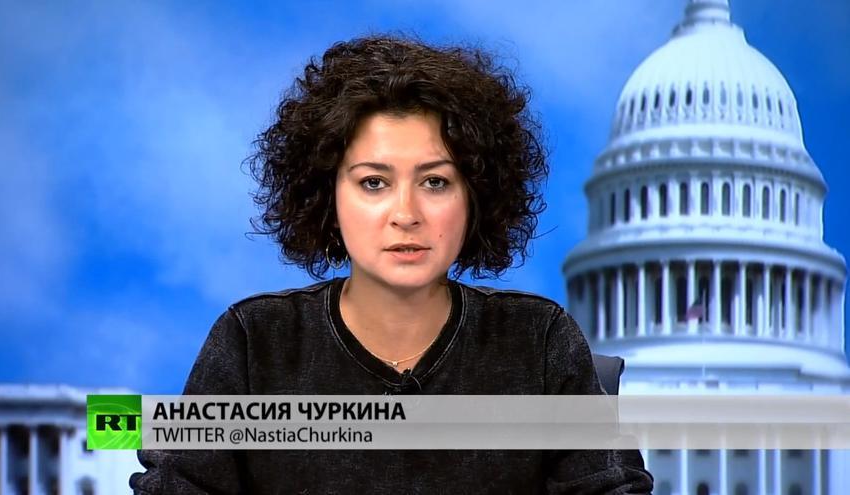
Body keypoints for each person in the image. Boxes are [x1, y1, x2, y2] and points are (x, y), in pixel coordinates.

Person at [130, 35, 653, 494]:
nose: (406, 214)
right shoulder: (253, 341)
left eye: (435, 182)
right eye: (374, 182)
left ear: (475, 196)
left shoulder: (539, 341)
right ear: (327, 195)